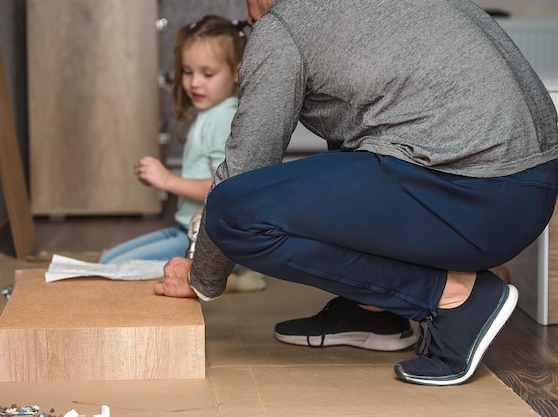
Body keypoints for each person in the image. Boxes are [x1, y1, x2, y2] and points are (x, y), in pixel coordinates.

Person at [153, 0, 558, 387]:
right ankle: (373, 311)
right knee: (348, 145)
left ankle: (456, 297)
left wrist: (201, 276)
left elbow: (245, 168)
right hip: (531, 190)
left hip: (474, 195)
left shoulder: (283, 26)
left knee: (231, 212)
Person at [100, 15, 264, 292]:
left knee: (116, 269)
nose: (194, 83)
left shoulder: (224, 118)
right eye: (188, 72)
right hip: (185, 229)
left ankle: (225, 273)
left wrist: (166, 180)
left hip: (207, 240)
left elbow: (222, 190)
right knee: (107, 261)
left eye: (207, 74)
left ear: (237, 72)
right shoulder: (209, 114)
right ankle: (230, 271)